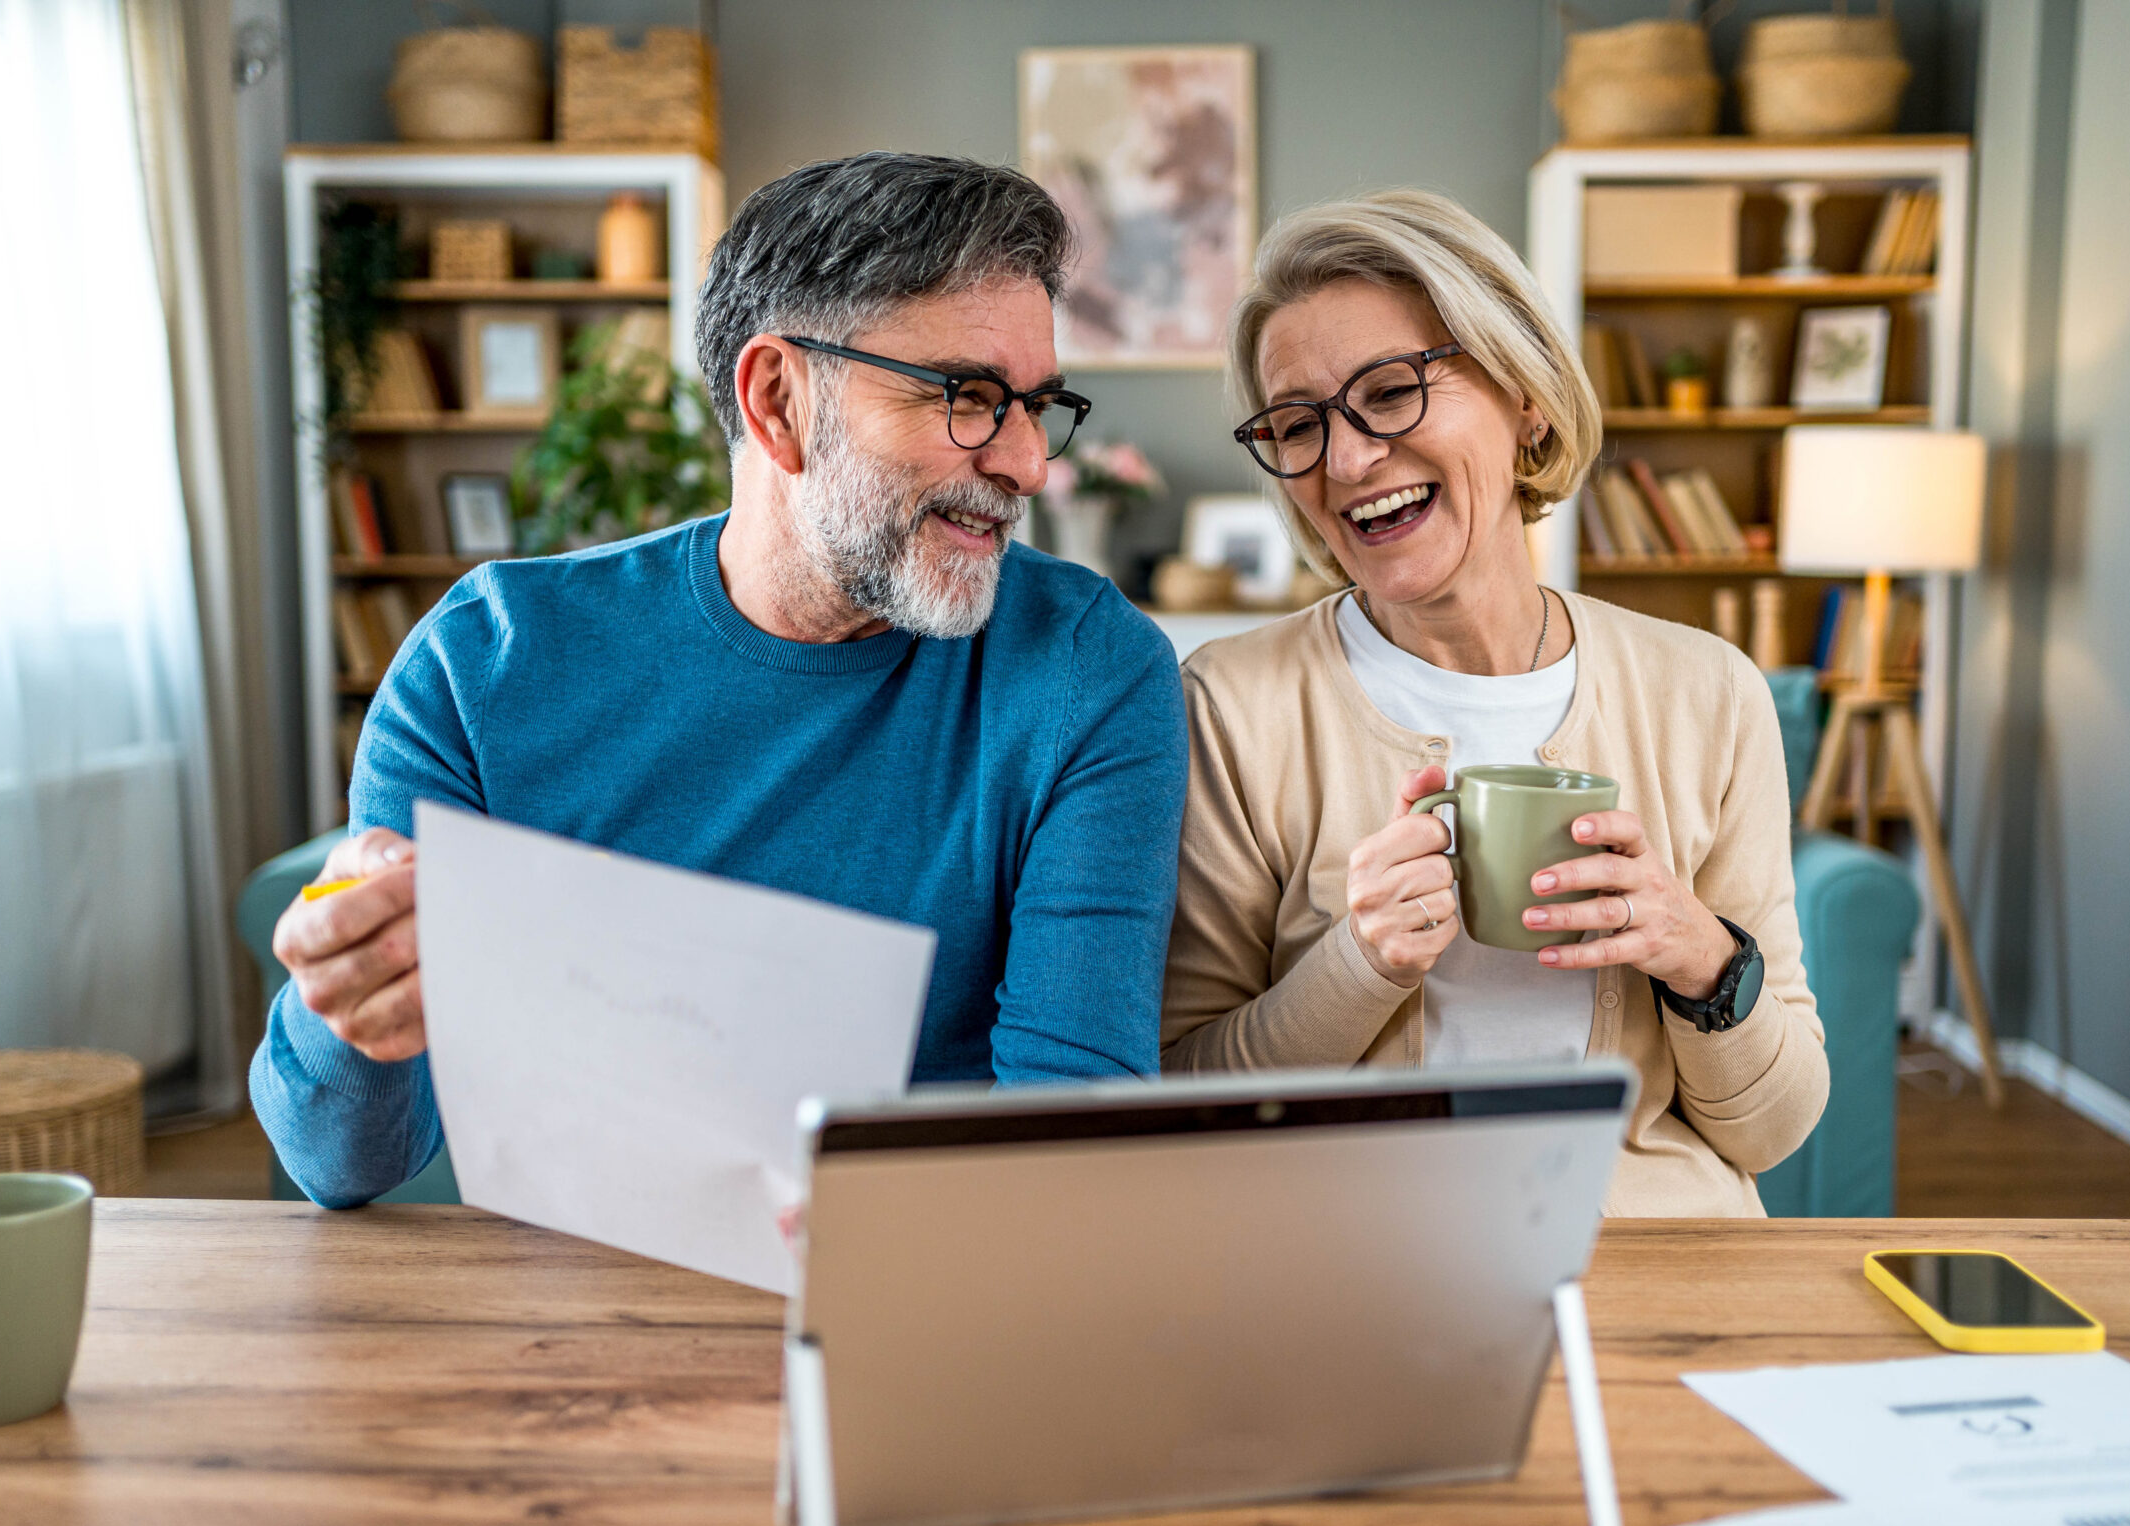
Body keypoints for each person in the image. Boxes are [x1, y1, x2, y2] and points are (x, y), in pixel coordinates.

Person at [254, 153, 1188, 1206]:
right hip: (575, 1312)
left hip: (930, 1285)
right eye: (968, 398)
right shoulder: (484, 664)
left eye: (1037, 405)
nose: (1026, 462)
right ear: (777, 400)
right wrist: (344, 1002)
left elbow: (1066, 1143)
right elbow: (342, 1166)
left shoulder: (1086, 669)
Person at [1161, 191, 1826, 1215]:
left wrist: (1694, 950)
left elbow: (1773, 1131)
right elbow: (1183, 1107)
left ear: (1524, 397)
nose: (1345, 461)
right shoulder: (1231, 706)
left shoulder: (1708, 693)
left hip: (1651, 1257)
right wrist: (1360, 960)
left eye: (1389, 392)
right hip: (1361, 1263)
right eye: (1296, 425)